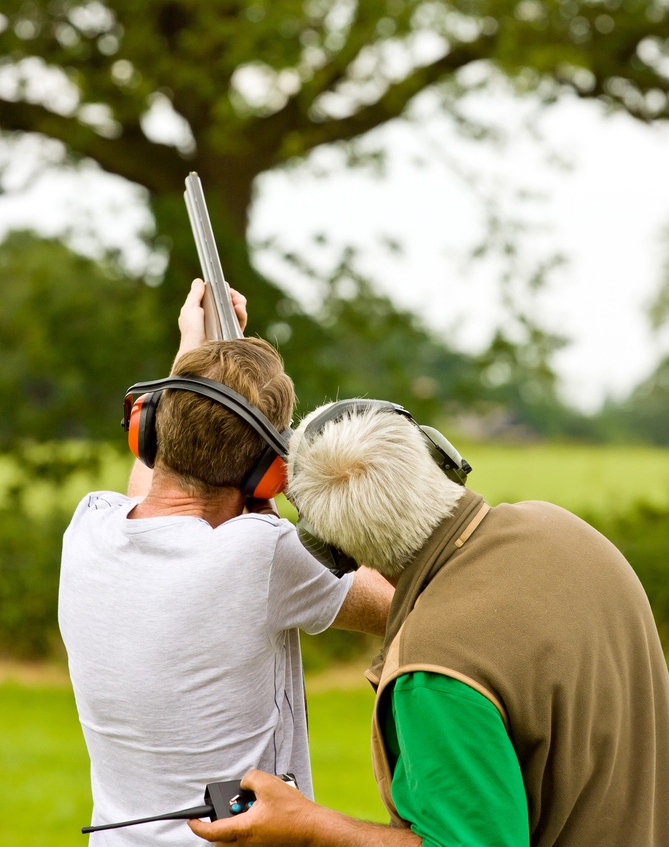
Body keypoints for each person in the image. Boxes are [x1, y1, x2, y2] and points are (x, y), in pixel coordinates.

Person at [188, 398, 669, 847]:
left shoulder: (436, 668)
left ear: (330, 550)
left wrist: (308, 824)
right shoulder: (562, 530)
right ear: (435, 453)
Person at [58, 284, 393, 845]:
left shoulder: (88, 526)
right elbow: (400, 605)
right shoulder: (259, 553)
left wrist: (192, 349)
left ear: (148, 426)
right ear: (269, 473)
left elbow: (154, 486)